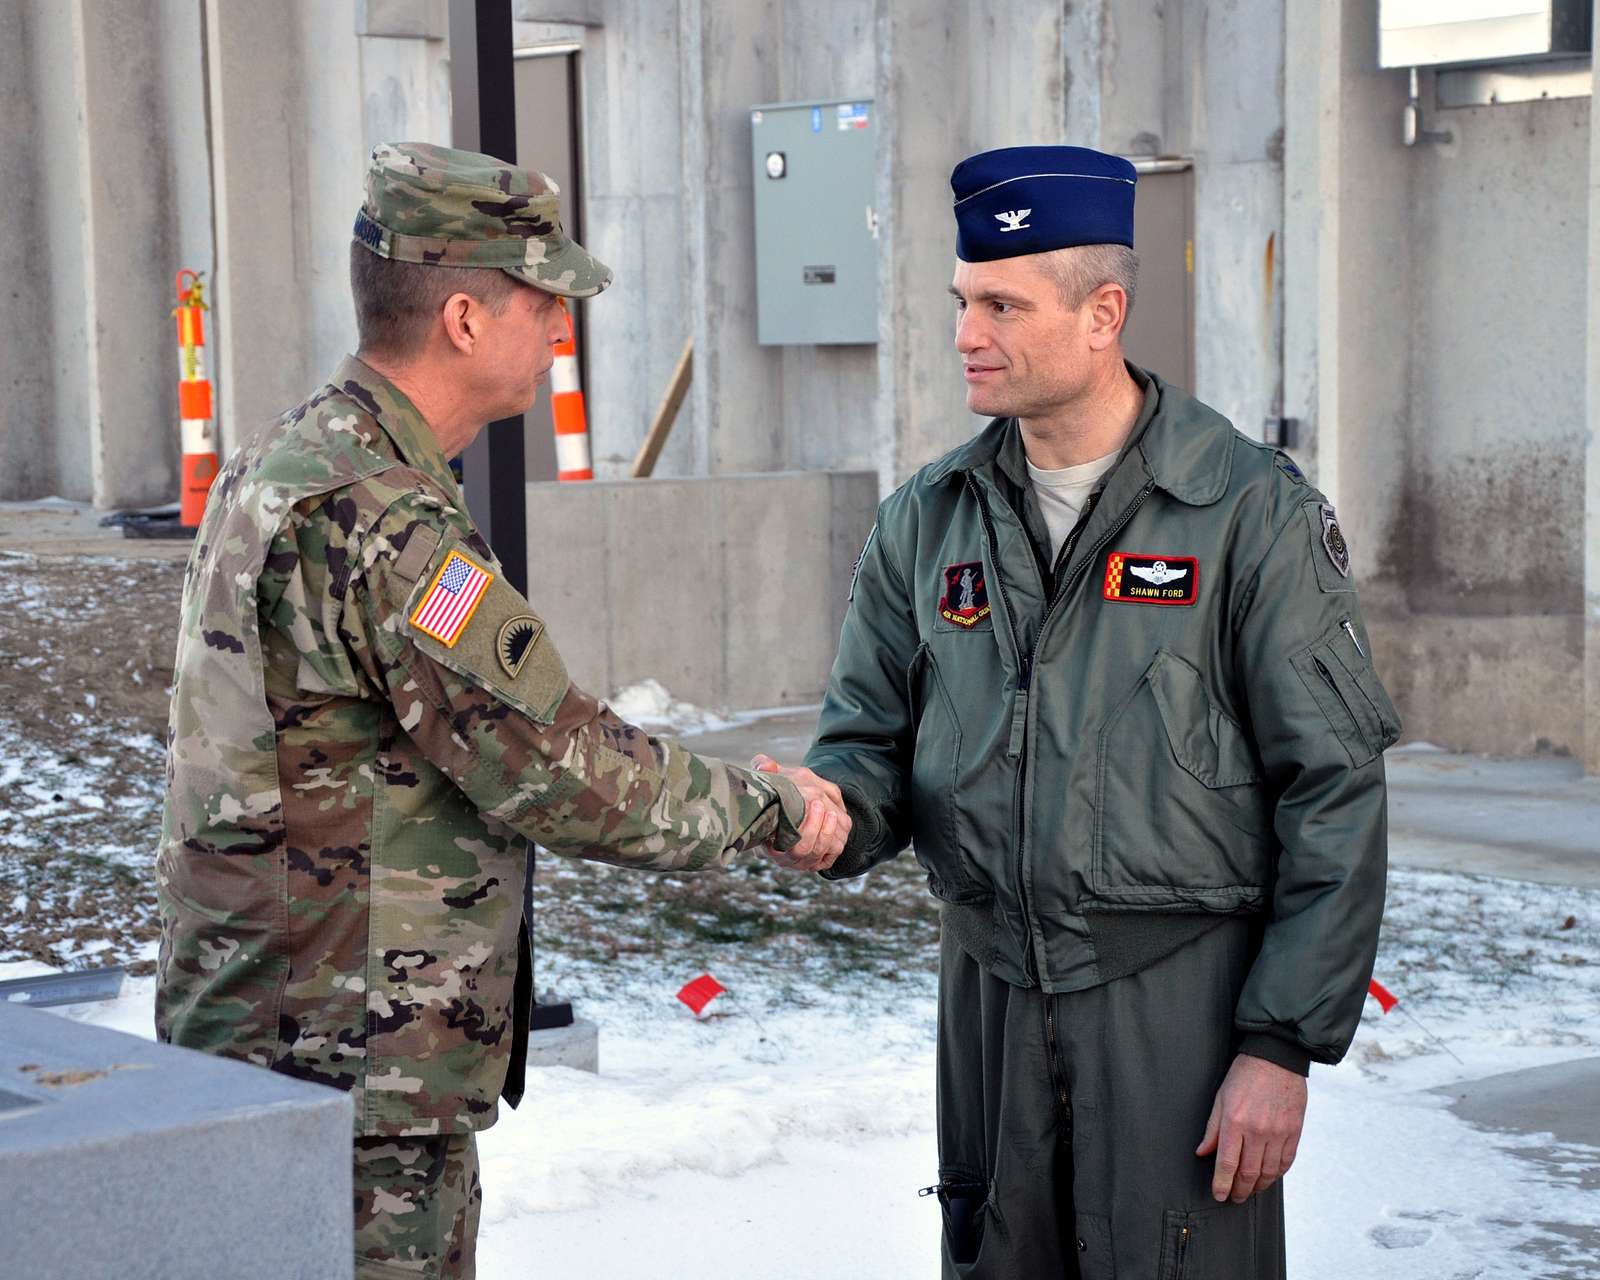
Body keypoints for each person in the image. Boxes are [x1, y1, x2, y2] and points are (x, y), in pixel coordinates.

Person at [155, 141, 849, 1280]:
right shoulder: (386, 518)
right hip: (353, 1071)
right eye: (546, 304)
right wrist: (768, 808)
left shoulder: (292, 458)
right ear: (467, 317)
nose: (559, 334)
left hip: (271, 1036)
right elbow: (560, 765)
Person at [755, 145, 1400, 1277]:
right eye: (963, 300)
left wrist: (1280, 1043)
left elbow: (1332, 788)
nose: (966, 331)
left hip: (1178, 1012)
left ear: (1103, 313)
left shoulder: (1245, 512)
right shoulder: (928, 519)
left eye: (1002, 304)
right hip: (990, 1000)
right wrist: (823, 813)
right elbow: (867, 745)